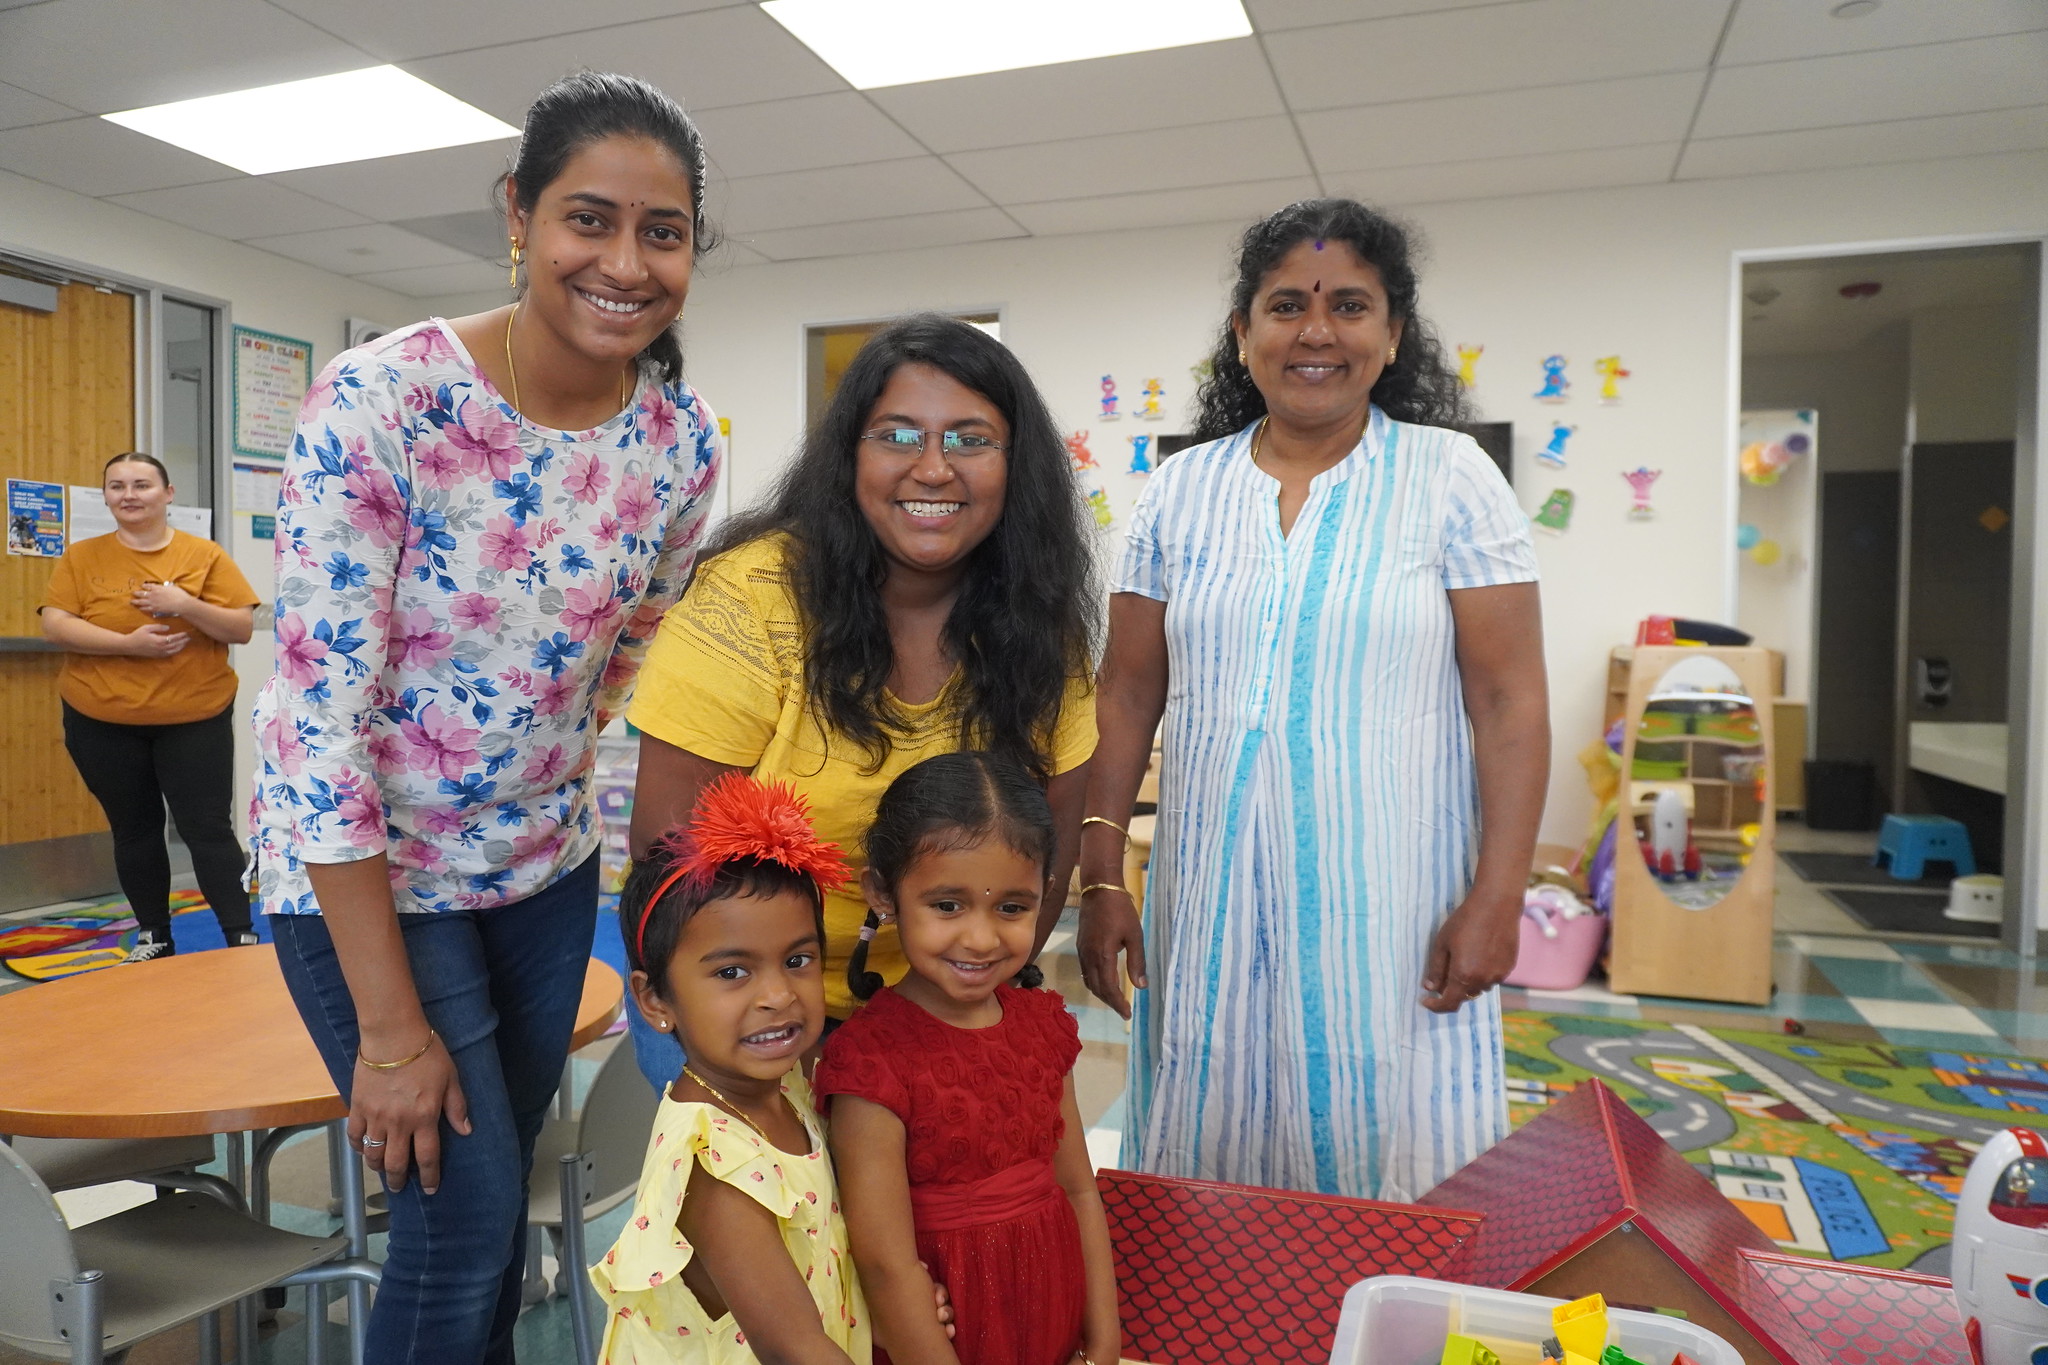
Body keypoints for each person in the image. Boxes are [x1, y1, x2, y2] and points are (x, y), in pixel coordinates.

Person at [248, 72, 723, 1363]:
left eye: (663, 232)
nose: (624, 262)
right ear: (517, 214)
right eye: (589, 219)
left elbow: (625, 662)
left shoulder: (680, 444)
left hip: (539, 870)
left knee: (494, 1221)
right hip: (363, 875)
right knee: (455, 1235)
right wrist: (390, 1030)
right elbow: (317, 730)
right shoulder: (382, 400)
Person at [1076, 199, 1550, 1203]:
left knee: (1387, 1163)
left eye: (1348, 305)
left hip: (1395, 911)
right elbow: (1124, 693)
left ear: (1391, 335)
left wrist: (1499, 895)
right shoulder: (1176, 491)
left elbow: (1508, 701)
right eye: (1285, 305)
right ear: (1242, 334)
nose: (1315, 331)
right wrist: (1101, 873)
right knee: (1203, 1150)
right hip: (1201, 911)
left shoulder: (1449, 479)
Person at [625, 313, 1098, 1089]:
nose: (935, 469)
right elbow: (673, 854)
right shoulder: (750, 602)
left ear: (1018, 467)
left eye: (972, 439)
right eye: (899, 436)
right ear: (849, 457)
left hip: (939, 999)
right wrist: (799, 1053)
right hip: (746, 1005)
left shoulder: (1042, 626)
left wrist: (963, 1010)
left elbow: (1049, 850)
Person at [818, 752, 1120, 1365]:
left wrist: (1105, 1338)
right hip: (943, 1335)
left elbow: (1078, 1189)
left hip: (1052, 1302)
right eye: (947, 905)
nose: (981, 939)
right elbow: (884, 1264)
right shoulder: (869, 1062)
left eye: (1011, 907)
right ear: (883, 893)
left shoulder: (1042, 1025)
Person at [597, 773, 864, 1365]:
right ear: (654, 1001)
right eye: (732, 972)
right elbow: (797, 1348)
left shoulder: (784, 1084)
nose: (777, 995)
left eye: (797, 960)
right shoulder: (714, 1165)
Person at [40, 452, 258, 961]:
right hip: (102, 720)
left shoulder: (204, 556)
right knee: (133, 828)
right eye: (117, 486)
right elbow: (55, 623)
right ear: (107, 496)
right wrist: (128, 644)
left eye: (141, 484)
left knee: (207, 828)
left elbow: (241, 628)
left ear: (167, 493)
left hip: (193, 718)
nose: (129, 495)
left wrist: (185, 606)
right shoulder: (81, 557)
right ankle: (153, 936)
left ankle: (238, 933)